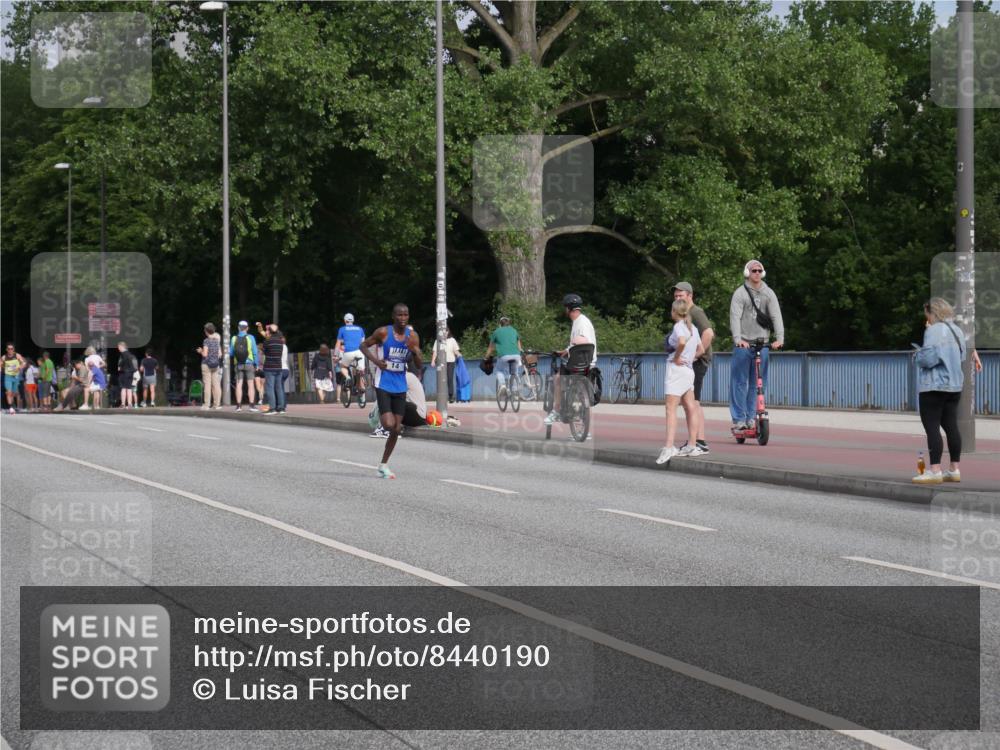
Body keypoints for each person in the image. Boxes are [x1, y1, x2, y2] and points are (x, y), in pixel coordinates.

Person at [362, 304, 421, 478]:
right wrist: (376, 361)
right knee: (388, 425)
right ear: (393, 316)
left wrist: (416, 351)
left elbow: (418, 366)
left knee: (396, 429)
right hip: (384, 382)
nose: (403, 318)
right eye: (399, 315)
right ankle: (378, 411)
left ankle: (383, 464)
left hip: (400, 385)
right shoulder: (383, 333)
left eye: (406, 315)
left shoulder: (413, 336)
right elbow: (363, 346)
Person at [913, 298, 969, 484]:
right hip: (954, 386)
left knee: (932, 427)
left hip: (934, 385)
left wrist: (917, 355)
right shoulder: (958, 331)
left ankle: (935, 470)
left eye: (927, 314)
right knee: (951, 426)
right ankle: (954, 469)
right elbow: (961, 355)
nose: (926, 318)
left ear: (933, 313)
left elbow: (929, 359)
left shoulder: (934, 330)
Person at [729, 260, 784, 431]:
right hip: (744, 344)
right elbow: (735, 317)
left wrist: (779, 338)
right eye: (754, 270)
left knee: (758, 383)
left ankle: (752, 417)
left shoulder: (769, 293)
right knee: (739, 382)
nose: (757, 273)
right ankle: (739, 419)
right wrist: (738, 339)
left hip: (763, 344)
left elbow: (776, 316)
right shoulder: (740, 294)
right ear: (747, 272)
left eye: (760, 270)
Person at [656, 299, 705, 464]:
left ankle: (669, 446)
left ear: (674, 312)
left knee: (670, 409)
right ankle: (692, 444)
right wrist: (689, 359)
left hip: (676, 370)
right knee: (690, 407)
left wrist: (677, 358)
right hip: (689, 371)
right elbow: (702, 349)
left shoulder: (678, 326)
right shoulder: (694, 328)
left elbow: (682, 342)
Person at [673, 282, 714, 453]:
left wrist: (697, 353)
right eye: (675, 296)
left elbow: (709, 333)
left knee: (692, 403)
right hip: (693, 363)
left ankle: (699, 441)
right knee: (692, 402)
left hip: (697, 363)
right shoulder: (686, 314)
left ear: (690, 295)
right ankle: (698, 440)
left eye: (681, 295)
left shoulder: (695, 312)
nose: (677, 299)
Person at [545, 294, 597, 425]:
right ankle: (584, 427)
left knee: (557, 378)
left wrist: (572, 344)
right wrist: (567, 350)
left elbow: (583, 340)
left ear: (568, 309)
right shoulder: (581, 321)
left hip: (578, 364)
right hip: (588, 363)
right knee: (580, 390)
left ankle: (556, 411)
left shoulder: (581, 322)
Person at [485, 316, 522, 395]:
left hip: (504, 356)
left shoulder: (496, 331)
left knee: (499, 370)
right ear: (508, 323)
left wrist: (486, 357)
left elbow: (490, 348)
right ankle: (515, 389)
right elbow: (518, 342)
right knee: (514, 372)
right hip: (516, 355)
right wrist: (519, 350)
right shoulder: (514, 330)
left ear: (500, 324)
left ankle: (502, 385)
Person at [229, 320, 259, 412]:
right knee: (251, 385)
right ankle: (252, 406)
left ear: (238, 328)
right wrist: (256, 364)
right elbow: (255, 352)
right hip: (249, 363)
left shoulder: (234, 338)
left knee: (239, 384)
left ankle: (238, 406)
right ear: (247, 328)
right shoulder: (251, 337)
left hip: (238, 364)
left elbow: (231, 353)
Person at [336, 313, 366, 399]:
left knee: (342, 367)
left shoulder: (342, 329)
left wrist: (335, 355)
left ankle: (348, 377)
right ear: (353, 320)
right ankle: (363, 396)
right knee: (360, 372)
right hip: (360, 352)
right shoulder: (360, 329)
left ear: (345, 321)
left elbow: (338, 343)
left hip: (349, 352)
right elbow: (363, 342)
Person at [430, 327, 462, 403]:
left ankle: (451, 396)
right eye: (443, 332)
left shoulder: (452, 340)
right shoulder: (438, 341)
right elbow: (435, 352)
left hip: (450, 362)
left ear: (448, 332)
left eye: (446, 331)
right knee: (441, 380)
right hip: (441, 362)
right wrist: (433, 361)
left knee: (450, 379)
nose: (445, 333)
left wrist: (459, 354)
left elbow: (455, 350)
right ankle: (441, 396)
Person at [261, 324, 286, 414]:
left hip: (269, 367)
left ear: (270, 332)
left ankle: (272, 408)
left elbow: (264, 352)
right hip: (279, 367)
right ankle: (281, 408)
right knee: (279, 388)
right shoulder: (280, 342)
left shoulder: (267, 342)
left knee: (270, 388)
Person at [197, 323, 223, 410]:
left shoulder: (206, 341)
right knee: (216, 384)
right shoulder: (217, 341)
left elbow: (205, 354)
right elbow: (220, 354)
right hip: (215, 365)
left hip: (206, 364)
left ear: (206, 332)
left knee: (207, 385)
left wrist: (200, 351)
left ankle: (206, 405)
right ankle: (217, 404)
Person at [3, 343, 25, 414]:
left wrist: (19, 367)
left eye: (11, 349)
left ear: (13, 349)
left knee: (13, 393)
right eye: (9, 349)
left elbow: (23, 363)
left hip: (16, 376)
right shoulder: (4, 357)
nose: (10, 350)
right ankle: (11, 407)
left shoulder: (17, 355)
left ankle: (12, 406)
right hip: (8, 376)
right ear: (6, 350)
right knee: (9, 392)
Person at [116, 342, 138, 409]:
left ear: (122, 346)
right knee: (129, 388)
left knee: (123, 388)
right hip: (131, 373)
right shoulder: (132, 355)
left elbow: (119, 367)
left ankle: (123, 404)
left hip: (123, 373)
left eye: (119, 347)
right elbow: (135, 367)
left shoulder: (122, 355)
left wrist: (120, 368)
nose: (118, 349)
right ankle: (130, 404)